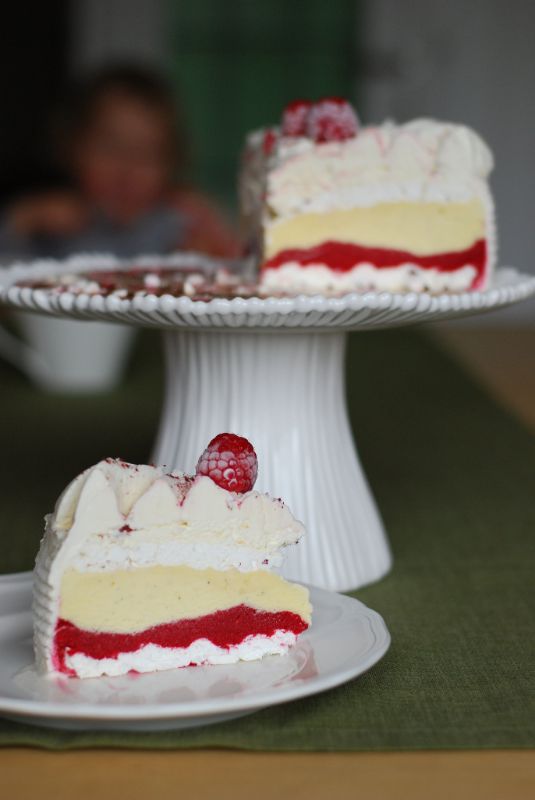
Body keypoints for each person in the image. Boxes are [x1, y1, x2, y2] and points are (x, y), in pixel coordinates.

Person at [0, 65, 241, 261]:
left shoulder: (178, 222)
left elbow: (239, 264)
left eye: (148, 154)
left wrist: (209, 253)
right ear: (71, 147)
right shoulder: (51, 223)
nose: (127, 169)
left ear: (172, 164)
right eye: (111, 148)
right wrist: (21, 221)